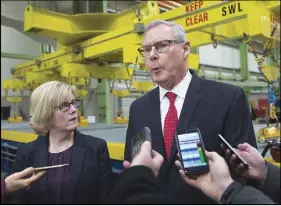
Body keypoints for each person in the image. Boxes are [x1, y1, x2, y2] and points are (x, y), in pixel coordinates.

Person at [124, 19, 257, 204]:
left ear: (185, 49)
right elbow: (132, 167)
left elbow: (247, 171)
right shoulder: (138, 108)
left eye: (162, 45)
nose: (152, 56)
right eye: (146, 50)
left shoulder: (227, 98)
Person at [3, 81, 113, 204]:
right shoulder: (27, 153)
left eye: (73, 103)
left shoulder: (96, 148)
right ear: (46, 113)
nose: (73, 110)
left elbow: (106, 200)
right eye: (65, 105)